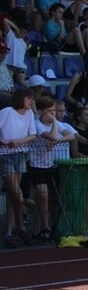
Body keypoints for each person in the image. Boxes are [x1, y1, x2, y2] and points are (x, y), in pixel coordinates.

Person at [27, 95, 69, 242]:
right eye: (49, 111)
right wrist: (54, 123)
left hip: (50, 165)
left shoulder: (55, 123)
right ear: (40, 111)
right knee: (42, 194)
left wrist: (58, 140)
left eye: (53, 111)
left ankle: (37, 231)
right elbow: (52, 137)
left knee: (43, 199)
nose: (52, 113)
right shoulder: (37, 124)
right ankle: (46, 226)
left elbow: (70, 136)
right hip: (36, 165)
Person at [0, 88, 39, 247]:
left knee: (12, 194)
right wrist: (4, 142)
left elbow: (32, 134)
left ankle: (11, 231)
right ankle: (21, 225)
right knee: (17, 193)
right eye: (28, 98)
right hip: (5, 154)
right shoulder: (7, 111)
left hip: (20, 153)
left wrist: (19, 141)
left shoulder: (29, 114)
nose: (31, 101)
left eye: (32, 99)